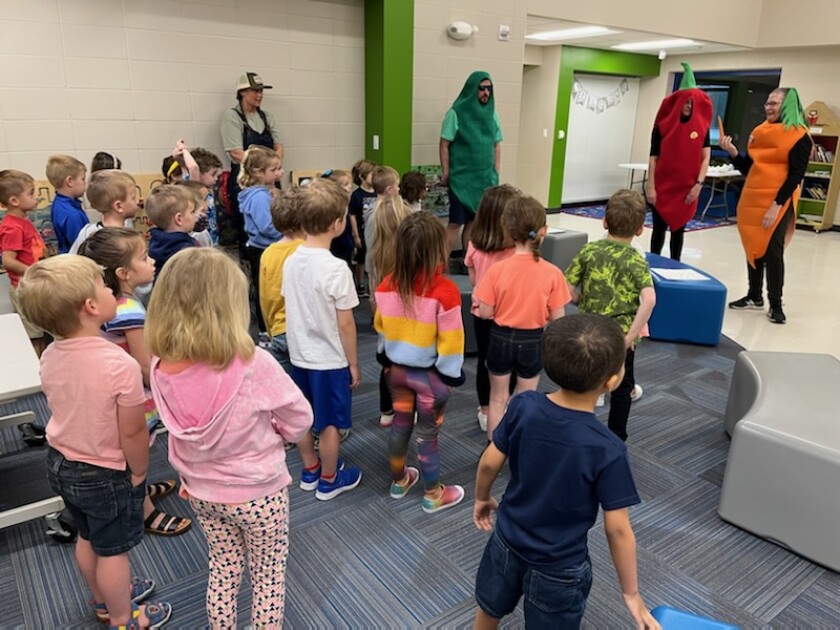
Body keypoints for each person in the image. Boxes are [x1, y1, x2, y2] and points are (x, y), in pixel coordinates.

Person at [147, 248, 313, 628]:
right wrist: (280, 433)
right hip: (259, 492)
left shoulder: (159, 365)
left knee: (222, 568)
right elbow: (300, 418)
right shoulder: (253, 362)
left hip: (202, 491)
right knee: (268, 577)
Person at [473, 314, 659, 630]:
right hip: (559, 566)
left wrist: (482, 497)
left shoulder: (524, 406)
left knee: (489, 610)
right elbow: (618, 530)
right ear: (612, 381)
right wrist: (632, 593)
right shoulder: (608, 449)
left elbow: (490, 460)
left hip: (506, 540)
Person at [16, 255, 172, 630]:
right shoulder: (118, 364)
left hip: (61, 462)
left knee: (88, 536)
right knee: (114, 551)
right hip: (105, 471)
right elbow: (133, 432)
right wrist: (139, 472)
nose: (109, 291)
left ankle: (104, 600)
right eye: (104, 287)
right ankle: (123, 617)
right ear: (90, 307)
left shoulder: (51, 353)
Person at [79, 228, 193, 537]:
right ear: (124, 272)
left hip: (112, 396)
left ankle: (140, 490)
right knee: (133, 458)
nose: (153, 260)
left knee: (132, 455)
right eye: (144, 257)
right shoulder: (128, 310)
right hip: (132, 400)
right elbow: (145, 367)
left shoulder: (108, 302)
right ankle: (144, 511)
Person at [374, 212, 466, 513]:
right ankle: (432, 493)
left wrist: (385, 359)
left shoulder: (386, 284)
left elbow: (381, 328)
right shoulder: (446, 291)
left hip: (396, 374)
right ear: (437, 249)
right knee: (429, 436)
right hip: (430, 379)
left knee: (399, 426)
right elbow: (452, 341)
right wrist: (450, 377)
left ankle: (399, 480)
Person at [282, 179, 362, 500]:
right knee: (330, 423)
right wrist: (353, 363)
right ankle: (329, 480)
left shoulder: (290, 259)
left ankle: (310, 467)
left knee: (302, 415)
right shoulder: (337, 268)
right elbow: (346, 324)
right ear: (337, 223)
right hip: (329, 361)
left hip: (299, 355)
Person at [474, 194, 570, 441]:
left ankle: (494, 448)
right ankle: (520, 444)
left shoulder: (497, 270)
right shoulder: (552, 273)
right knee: (526, 400)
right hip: (533, 341)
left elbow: (484, 312)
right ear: (543, 231)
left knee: (497, 399)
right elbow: (558, 320)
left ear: (506, 229)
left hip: (499, 338)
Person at [566, 190, 656, 442]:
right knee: (622, 386)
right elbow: (649, 299)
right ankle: (616, 437)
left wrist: (582, 301)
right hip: (620, 337)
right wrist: (630, 336)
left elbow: (567, 289)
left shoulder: (589, 251)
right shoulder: (636, 259)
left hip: (589, 332)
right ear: (640, 229)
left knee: (584, 382)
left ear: (604, 222)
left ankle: (578, 432)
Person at [720, 87, 811, 325]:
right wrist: (732, 153)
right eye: (767, 103)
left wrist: (776, 205)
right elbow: (750, 169)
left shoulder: (800, 136)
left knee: (773, 251)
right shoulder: (759, 132)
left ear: (788, 105)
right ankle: (753, 296)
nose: (768, 107)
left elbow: (795, 176)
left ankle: (776, 305)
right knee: (753, 246)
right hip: (752, 200)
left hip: (778, 201)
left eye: (774, 103)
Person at [464, 184, 519, 431]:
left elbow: (475, 281)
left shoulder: (474, 244)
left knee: (486, 361)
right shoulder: (516, 250)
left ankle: (486, 409)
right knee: (512, 360)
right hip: (512, 314)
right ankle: (507, 403)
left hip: (482, 314)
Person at [0, 169, 48, 445]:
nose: (36, 198)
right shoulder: (11, 225)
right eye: (31, 194)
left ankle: (40, 370)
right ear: (14, 200)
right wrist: (33, 272)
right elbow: (8, 260)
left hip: (32, 284)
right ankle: (37, 376)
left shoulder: (23, 221)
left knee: (39, 332)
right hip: (24, 286)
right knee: (34, 335)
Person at [646, 63, 713, 261]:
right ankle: (654, 264)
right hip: (663, 186)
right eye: (686, 103)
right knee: (658, 229)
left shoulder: (702, 127)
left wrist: (699, 185)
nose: (689, 107)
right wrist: (651, 186)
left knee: (679, 230)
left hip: (687, 188)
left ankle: (676, 266)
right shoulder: (663, 126)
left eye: (692, 104)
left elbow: (705, 157)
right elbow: (653, 157)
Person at [439, 71, 503, 263]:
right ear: (472, 89)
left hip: (484, 180)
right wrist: (446, 172)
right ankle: (439, 264)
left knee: (474, 223)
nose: (486, 93)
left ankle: (469, 263)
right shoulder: (455, 113)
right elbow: (444, 144)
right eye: (481, 88)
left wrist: (495, 173)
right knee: (455, 223)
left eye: (489, 88)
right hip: (461, 179)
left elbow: (497, 144)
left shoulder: (492, 115)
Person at [220, 72, 283, 252]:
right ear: (242, 93)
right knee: (249, 231)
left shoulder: (267, 117)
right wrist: (264, 166)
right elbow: (235, 152)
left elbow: (279, 146)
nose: (259, 95)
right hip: (246, 182)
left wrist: (274, 169)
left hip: (270, 178)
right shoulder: (232, 117)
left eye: (261, 91)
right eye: (254, 91)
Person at [369, 192, 412, 428]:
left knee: (387, 368)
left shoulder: (376, 252)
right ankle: (406, 409)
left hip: (385, 324)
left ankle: (386, 410)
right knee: (410, 369)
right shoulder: (409, 254)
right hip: (409, 326)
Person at [238, 145, 284, 335]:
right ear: (258, 172)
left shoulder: (262, 193)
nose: (278, 174)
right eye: (273, 170)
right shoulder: (258, 197)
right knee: (266, 291)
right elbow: (267, 226)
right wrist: (286, 232)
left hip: (262, 247)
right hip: (264, 249)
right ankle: (266, 330)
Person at [259, 189, 304, 374]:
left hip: (278, 330)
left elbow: (265, 297)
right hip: (303, 332)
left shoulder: (268, 253)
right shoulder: (305, 251)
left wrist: (271, 330)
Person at [70, 170, 142, 254]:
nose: (138, 200)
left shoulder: (86, 232)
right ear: (118, 206)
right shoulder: (125, 242)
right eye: (133, 198)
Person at [146, 184, 200, 279]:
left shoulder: (155, 244)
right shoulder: (187, 251)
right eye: (192, 212)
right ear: (179, 219)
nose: (195, 216)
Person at [46, 154, 89, 254]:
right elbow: (82, 247)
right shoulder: (71, 214)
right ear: (70, 181)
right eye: (82, 179)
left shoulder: (59, 202)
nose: (85, 183)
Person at [349, 159, 377, 296]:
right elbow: (352, 215)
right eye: (372, 174)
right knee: (361, 258)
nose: (375, 177)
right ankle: (360, 284)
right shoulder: (357, 195)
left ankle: (372, 283)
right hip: (361, 231)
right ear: (362, 176)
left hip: (374, 231)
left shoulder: (377, 192)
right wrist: (355, 235)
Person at [322, 169, 355, 268]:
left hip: (346, 248)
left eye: (349, 183)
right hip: (338, 250)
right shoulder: (335, 209)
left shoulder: (346, 204)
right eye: (345, 184)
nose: (350, 187)